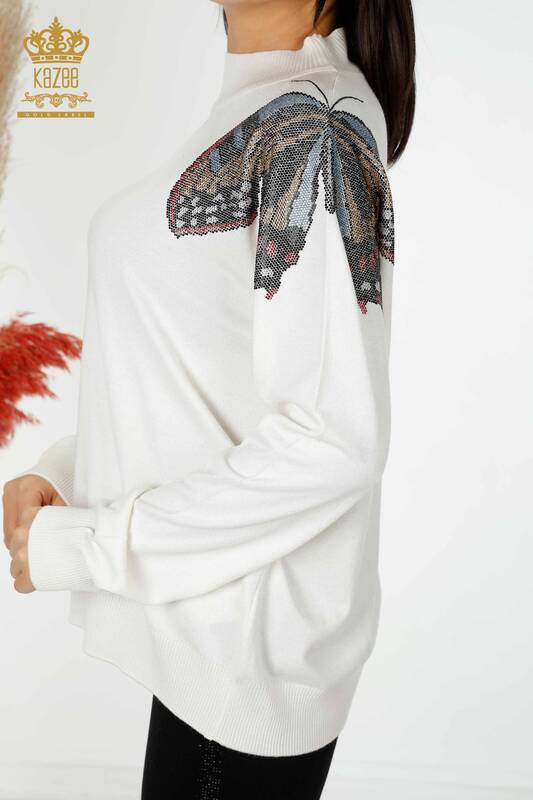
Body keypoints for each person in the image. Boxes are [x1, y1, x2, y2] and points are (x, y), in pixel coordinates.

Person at [4, 0, 416, 797]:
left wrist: (93, 544)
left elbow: (334, 438)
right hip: (213, 626)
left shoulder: (317, 126)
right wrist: (70, 474)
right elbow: (205, 377)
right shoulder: (258, 101)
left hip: (243, 656)